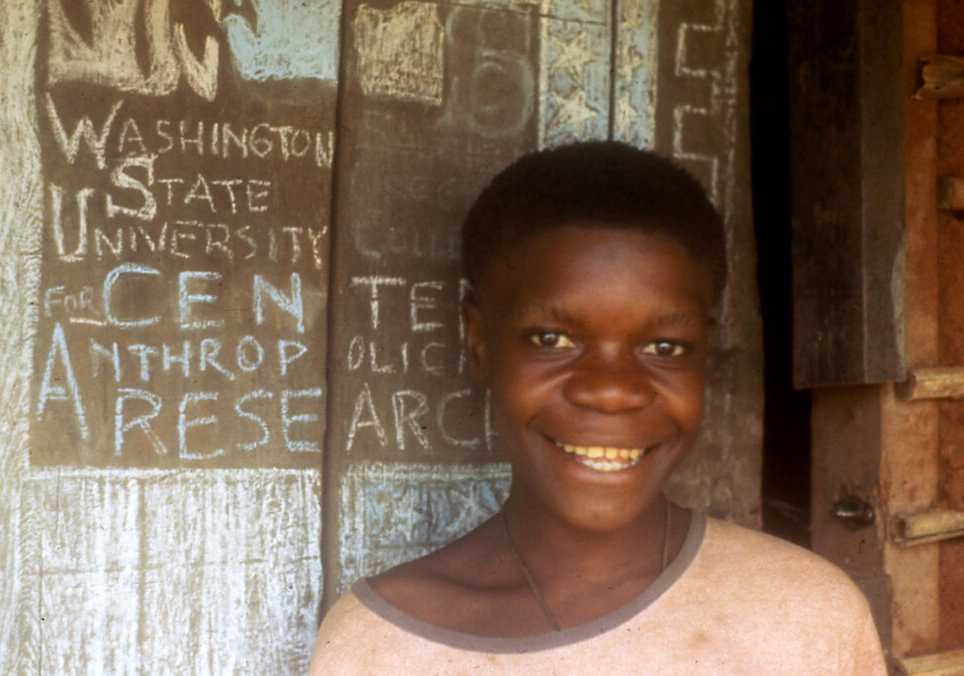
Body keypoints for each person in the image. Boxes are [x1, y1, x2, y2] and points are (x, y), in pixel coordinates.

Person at [309, 141, 887, 674]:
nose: (611, 391)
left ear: (706, 355)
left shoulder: (808, 617)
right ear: (477, 340)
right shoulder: (378, 647)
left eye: (665, 348)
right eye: (551, 339)